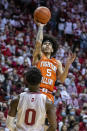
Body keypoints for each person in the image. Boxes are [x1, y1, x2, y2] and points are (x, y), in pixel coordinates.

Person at [32, 22, 76, 103]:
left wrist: (67, 65)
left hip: (49, 95)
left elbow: (62, 79)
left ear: (52, 49)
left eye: (49, 44)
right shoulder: (39, 56)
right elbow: (38, 42)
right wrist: (41, 27)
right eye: (45, 44)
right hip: (36, 91)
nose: (47, 45)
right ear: (42, 47)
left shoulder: (57, 62)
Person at [6, 67, 57, 131]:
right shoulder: (47, 102)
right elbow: (53, 126)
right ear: (41, 81)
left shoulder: (16, 100)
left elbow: (9, 124)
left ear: (26, 80)